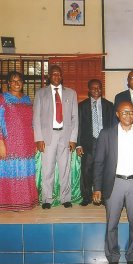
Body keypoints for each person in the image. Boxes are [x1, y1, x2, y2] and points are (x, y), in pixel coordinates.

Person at [93, 102, 133, 264]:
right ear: (117, 114)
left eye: (132, 112)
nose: (129, 115)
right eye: (125, 112)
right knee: (112, 223)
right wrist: (97, 188)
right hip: (114, 184)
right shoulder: (106, 134)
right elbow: (98, 163)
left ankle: (132, 257)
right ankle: (112, 258)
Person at [33, 65, 78, 209]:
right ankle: (47, 199)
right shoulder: (41, 93)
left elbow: (74, 117)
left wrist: (73, 138)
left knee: (65, 169)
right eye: (53, 74)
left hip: (65, 136)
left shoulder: (71, 93)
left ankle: (66, 198)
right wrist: (38, 138)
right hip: (48, 136)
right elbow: (36, 118)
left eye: (59, 74)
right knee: (47, 169)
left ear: (62, 76)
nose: (56, 76)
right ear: (49, 76)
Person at [0, 71, 38, 211]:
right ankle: (10, 203)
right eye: (13, 80)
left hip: (26, 142)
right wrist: (0, 143)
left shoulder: (27, 99)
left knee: (24, 171)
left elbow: (31, 123)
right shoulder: (2, 98)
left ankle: (25, 201)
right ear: (8, 83)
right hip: (9, 142)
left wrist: (34, 141)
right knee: (10, 171)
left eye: (19, 80)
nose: (17, 83)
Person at [77, 79, 114, 206]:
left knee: (104, 170)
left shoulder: (109, 105)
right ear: (89, 90)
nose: (96, 90)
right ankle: (86, 197)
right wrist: (79, 144)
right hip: (88, 143)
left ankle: (103, 196)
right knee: (86, 171)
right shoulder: (82, 106)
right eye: (93, 88)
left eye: (98, 88)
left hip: (105, 143)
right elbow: (79, 126)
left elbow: (112, 126)